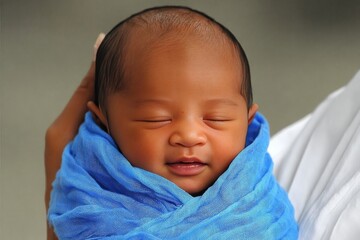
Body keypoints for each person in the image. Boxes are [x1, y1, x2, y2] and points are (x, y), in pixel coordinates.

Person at [45, 6, 298, 239]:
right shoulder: (87, 195)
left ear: (247, 122)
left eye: (216, 118)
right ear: (104, 123)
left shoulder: (256, 204)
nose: (188, 135)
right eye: (156, 118)